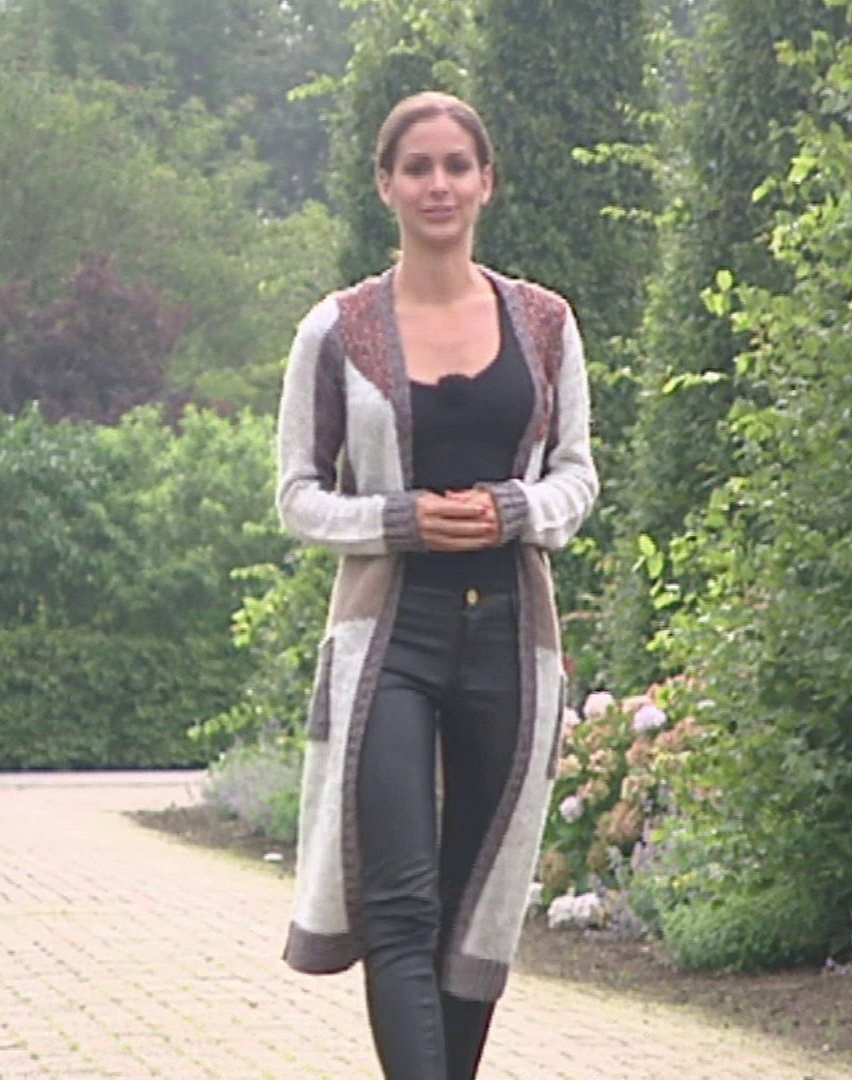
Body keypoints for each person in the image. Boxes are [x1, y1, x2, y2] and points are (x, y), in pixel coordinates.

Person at [273, 90, 599, 1078]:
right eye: (417, 167)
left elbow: (577, 478)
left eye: (457, 165)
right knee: (401, 901)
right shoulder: (337, 332)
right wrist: (399, 519)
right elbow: (298, 497)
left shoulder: (545, 324)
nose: (439, 184)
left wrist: (514, 510)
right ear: (386, 185)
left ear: (486, 181)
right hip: (389, 643)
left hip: (510, 637)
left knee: (474, 903)